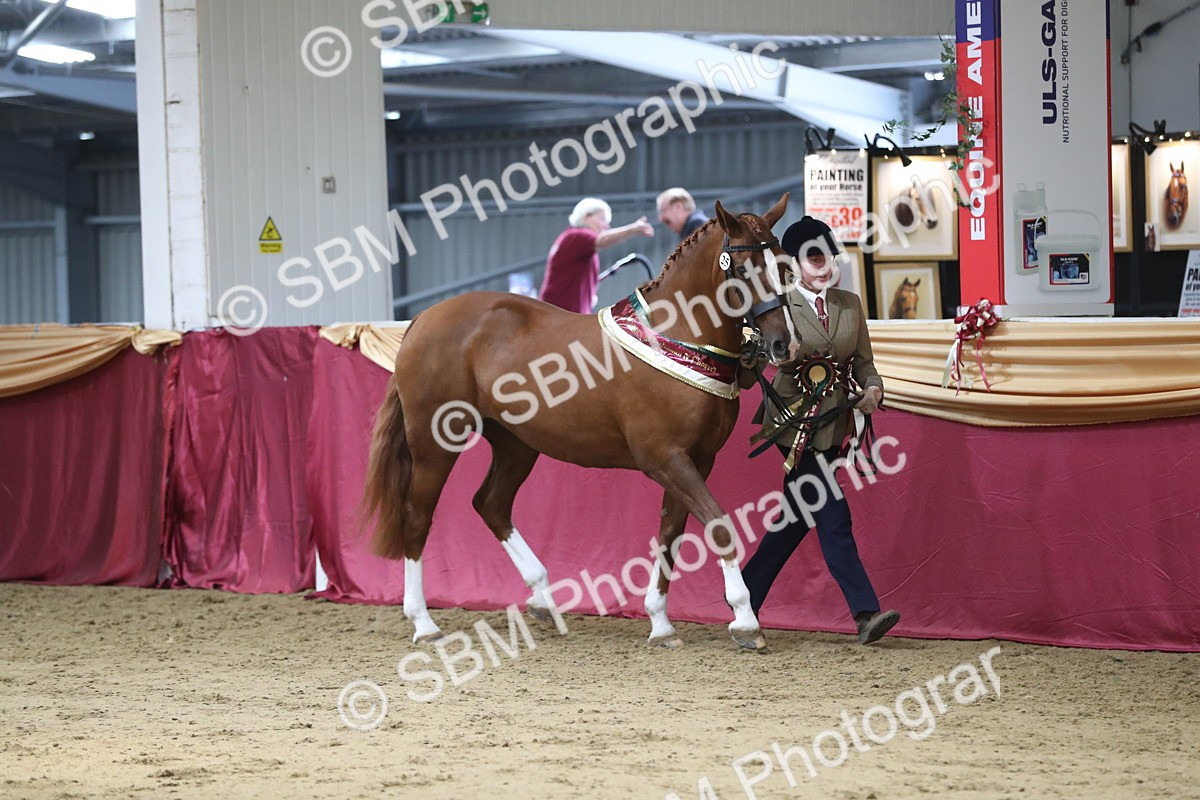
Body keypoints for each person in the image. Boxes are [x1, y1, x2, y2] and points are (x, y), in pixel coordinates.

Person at [739, 215, 900, 645]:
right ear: (794, 263)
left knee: (795, 519)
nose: (826, 265)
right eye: (815, 258)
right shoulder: (778, 305)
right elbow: (761, 362)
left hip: (833, 425)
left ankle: (744, 593)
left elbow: (863, 362)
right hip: (793, 425)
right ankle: (866, 612)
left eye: (830, 256)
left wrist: (873, 388)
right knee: (833, 515)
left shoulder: (850, 304)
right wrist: (765, 354)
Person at [539, 198, 654, 313]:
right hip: (562, 315)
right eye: (602, 219)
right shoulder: (578, 236)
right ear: (587, 217)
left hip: (557, 313)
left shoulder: (570, 239)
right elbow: (603, 240)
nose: (606, 226)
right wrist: (633, 229)